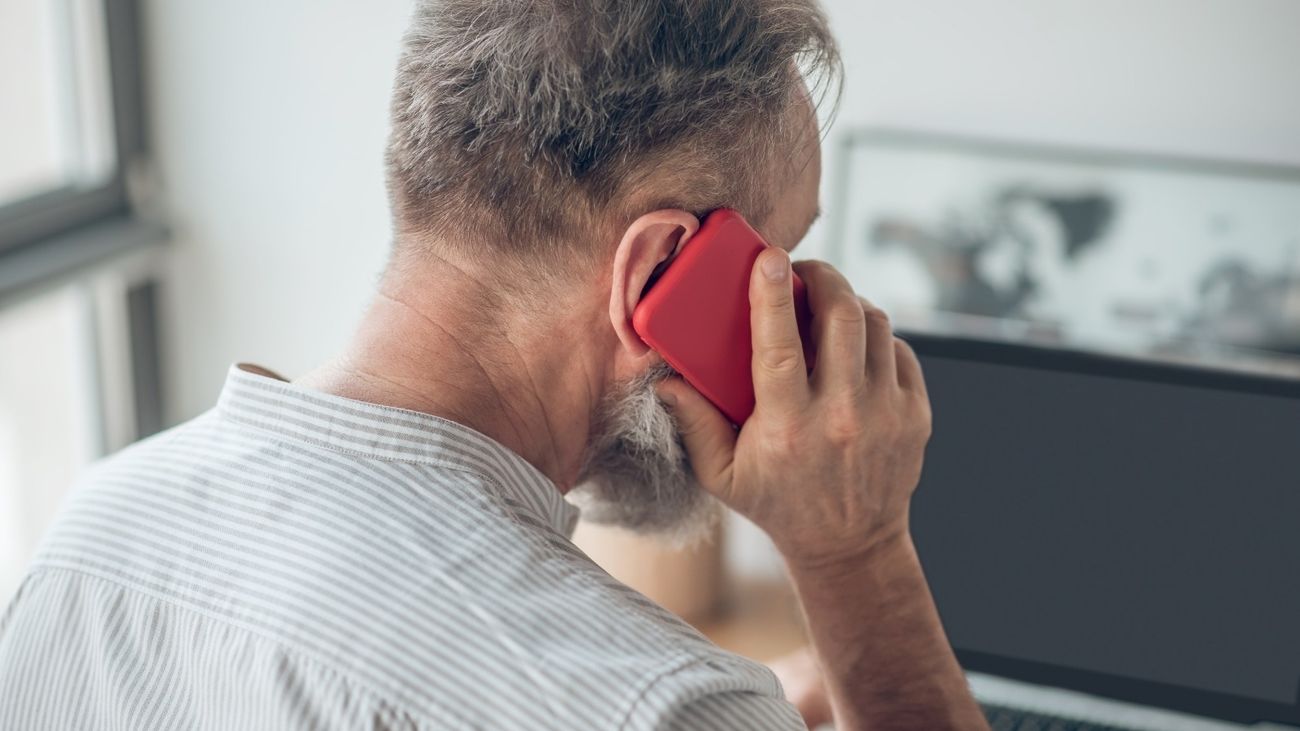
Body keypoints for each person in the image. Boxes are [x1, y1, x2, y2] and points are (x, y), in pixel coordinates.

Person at [0, 1, 989, 729]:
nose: (811, 314)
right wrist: (854, 555)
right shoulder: (648, 704)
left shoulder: (92, 532)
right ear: (657, 273)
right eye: (783, 259)